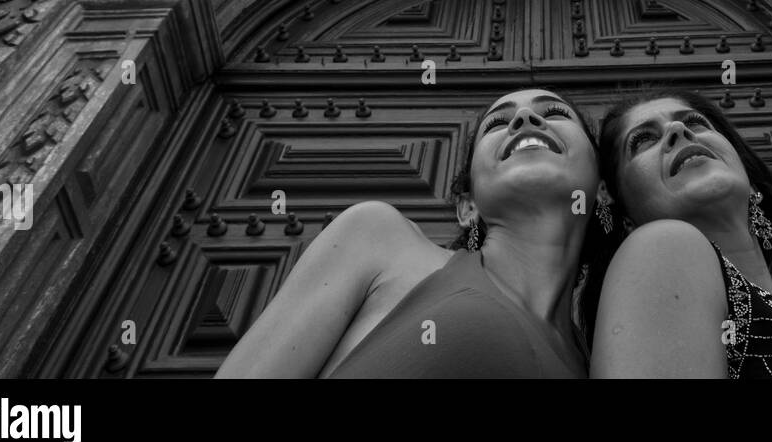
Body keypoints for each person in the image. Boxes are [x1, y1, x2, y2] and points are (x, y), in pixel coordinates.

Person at [216, 88, 602, 378]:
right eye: (498, 123)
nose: (524, 120)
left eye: (554, 113)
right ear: (467, 207)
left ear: (601, 189)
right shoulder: (377, 239)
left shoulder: (607, 358)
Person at [584, 88, 772, 379]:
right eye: (643, 139)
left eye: (696, 122)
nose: (678, 129)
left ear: (748, 175)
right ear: (621, 210)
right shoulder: (658, 248)